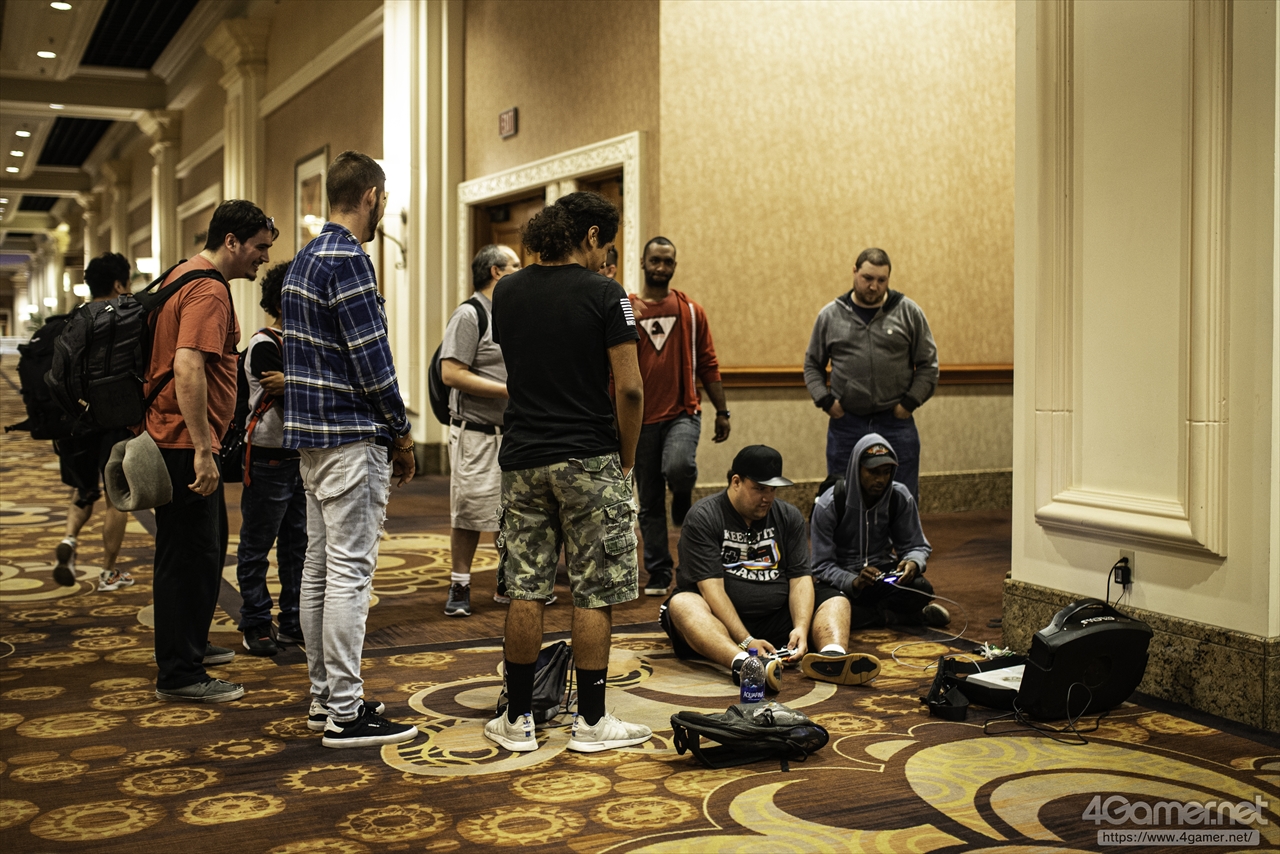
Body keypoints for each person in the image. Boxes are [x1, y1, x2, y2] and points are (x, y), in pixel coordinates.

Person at [484, 191, 651, 754]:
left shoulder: (506, 291)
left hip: (523, 458)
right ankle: (592, 723)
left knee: (525, 589)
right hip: (588, 457)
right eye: (608, 245)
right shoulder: (605, 293)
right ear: (591, 237)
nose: (608, 257)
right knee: (593, 592)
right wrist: (627, 457)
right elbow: (630, 387)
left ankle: (518, 721)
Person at [282, 150, 419, 748]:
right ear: (371, 197)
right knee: (349, 573)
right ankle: (344, 710)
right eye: (383, 198)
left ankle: (324, 699)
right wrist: (402, 431)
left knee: (318, 569)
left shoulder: (302, 260)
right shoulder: (350, 261)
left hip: (310, 442)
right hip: (350, 437)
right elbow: (372, 362)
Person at [147, 200, 275, 703]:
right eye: (259, 247)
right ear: (231, 241)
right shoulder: (209, 290)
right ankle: (180, 673)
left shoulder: (181, 274)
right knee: (188, 556)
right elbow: (187, 367)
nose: (264, 258)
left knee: (201, 549)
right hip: (185, 442)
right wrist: (203, 448)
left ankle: (190, 644)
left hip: (177, 436)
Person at [660, 445, 881, 690]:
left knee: (837, 600)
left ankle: (832, 657)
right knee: (682, 604)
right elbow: (712, 590)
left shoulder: (789, 516)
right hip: (720, 622)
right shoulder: (704, 516)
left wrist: (800, 627)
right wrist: (746, 641)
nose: (767, 498)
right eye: (759, 488)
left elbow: (800, 578)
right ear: (736, 482)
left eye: (773, 489)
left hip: (776, 616)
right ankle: (745, 664)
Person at [628, 237, 730, 597]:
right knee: (650, 501)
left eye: (667, 262)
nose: (661, 267)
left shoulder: (690, 311)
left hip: (682, 412)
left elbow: (708, 363)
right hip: (640, 420)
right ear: (643, 262)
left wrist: (722, 411)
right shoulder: (627, 310)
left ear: (674, 265)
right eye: (655, 260)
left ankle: (683, 495)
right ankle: (658, 571)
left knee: (679, 467)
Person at [803, 248, 938, 500]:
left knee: (902, 496)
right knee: (842, 495)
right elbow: (812, 365)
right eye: (867, 278)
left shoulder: (908, 312)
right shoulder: (830, 315)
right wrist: (826, 401)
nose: (874, 286)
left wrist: (908, 403)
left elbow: (929, 365)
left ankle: (900, 530)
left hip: (896, 422)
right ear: (855, 272)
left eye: (881, 280)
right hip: (847, 423)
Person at [440, 244, 519, 617]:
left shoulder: (512, 312)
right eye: (515, 264)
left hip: (512, 430)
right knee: (469, 510)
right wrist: (508, 390)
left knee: (512, 510)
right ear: (496, 271)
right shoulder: (469, 315)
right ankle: (460, 584)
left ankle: (507, 581)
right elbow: (451, 373)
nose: (522, 269)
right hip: (475, 431)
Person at [52, 252, 133, 592]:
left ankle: (69, 539)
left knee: (83, 489)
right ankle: (108, 572)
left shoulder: (74, 319)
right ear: (118, 284)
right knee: (116, 498)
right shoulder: (126, 319)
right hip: (114, 420)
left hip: (74, 420)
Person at [235, 262, 305, 656]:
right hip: (268, 457)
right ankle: (256, 622)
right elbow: (289, 398)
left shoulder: (307, 342)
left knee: (298, 545)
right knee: (257, 544)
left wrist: (295, 382)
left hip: (301, 456)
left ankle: (293, 620)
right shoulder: (265, 343)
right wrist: (309, 384)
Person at [810, 433, 950, 630]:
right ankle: (902, 617)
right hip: (842, 580)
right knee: (823, 608)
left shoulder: (899, 497)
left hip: (880, 576)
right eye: (873, 472)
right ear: (856, 468)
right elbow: (821, 565)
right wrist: (853, 581)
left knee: (922, 589)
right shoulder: (829, 504)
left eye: (886, 472)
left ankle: (874, 616)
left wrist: (913, 562)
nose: (881, 479)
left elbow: (916, 545)